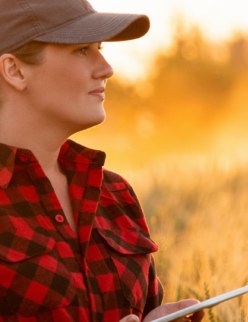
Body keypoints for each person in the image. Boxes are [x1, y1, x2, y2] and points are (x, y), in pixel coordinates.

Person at [0, 0, 205, 321]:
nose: (107, 68)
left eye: (100, 48)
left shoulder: (115, 193)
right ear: (15, 70)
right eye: (82, 50)